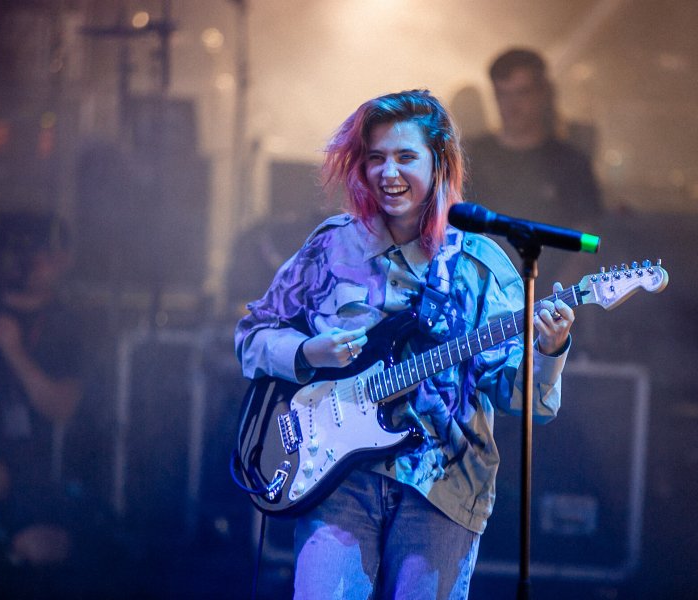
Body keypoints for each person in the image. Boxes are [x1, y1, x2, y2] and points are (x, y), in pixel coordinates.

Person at [235, 90, 576, 599]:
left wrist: (550, 352)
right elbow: (252, 336)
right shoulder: (332, 247)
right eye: (375, 159)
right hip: (336, 484)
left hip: (443, 489)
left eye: (405, 157)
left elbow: (525, 402)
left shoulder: (478, 265)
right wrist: (309, 353)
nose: (388, 173)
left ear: (439, 163)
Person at [0, 212, 86, 593]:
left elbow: (61, 408)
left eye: (55, 253)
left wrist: (14, 353)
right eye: (37, 252)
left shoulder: (66, 324)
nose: (50, 262)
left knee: (45, 546)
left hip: (27, 464)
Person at [464, 48, 603, 286]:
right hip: (482, 302)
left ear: (542, 94)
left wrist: (557, 298)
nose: (511, 105)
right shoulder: (470, 156)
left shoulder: (570, 162)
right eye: (502, 95)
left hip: (550, 304)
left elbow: (589, 240)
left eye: (521, 93)